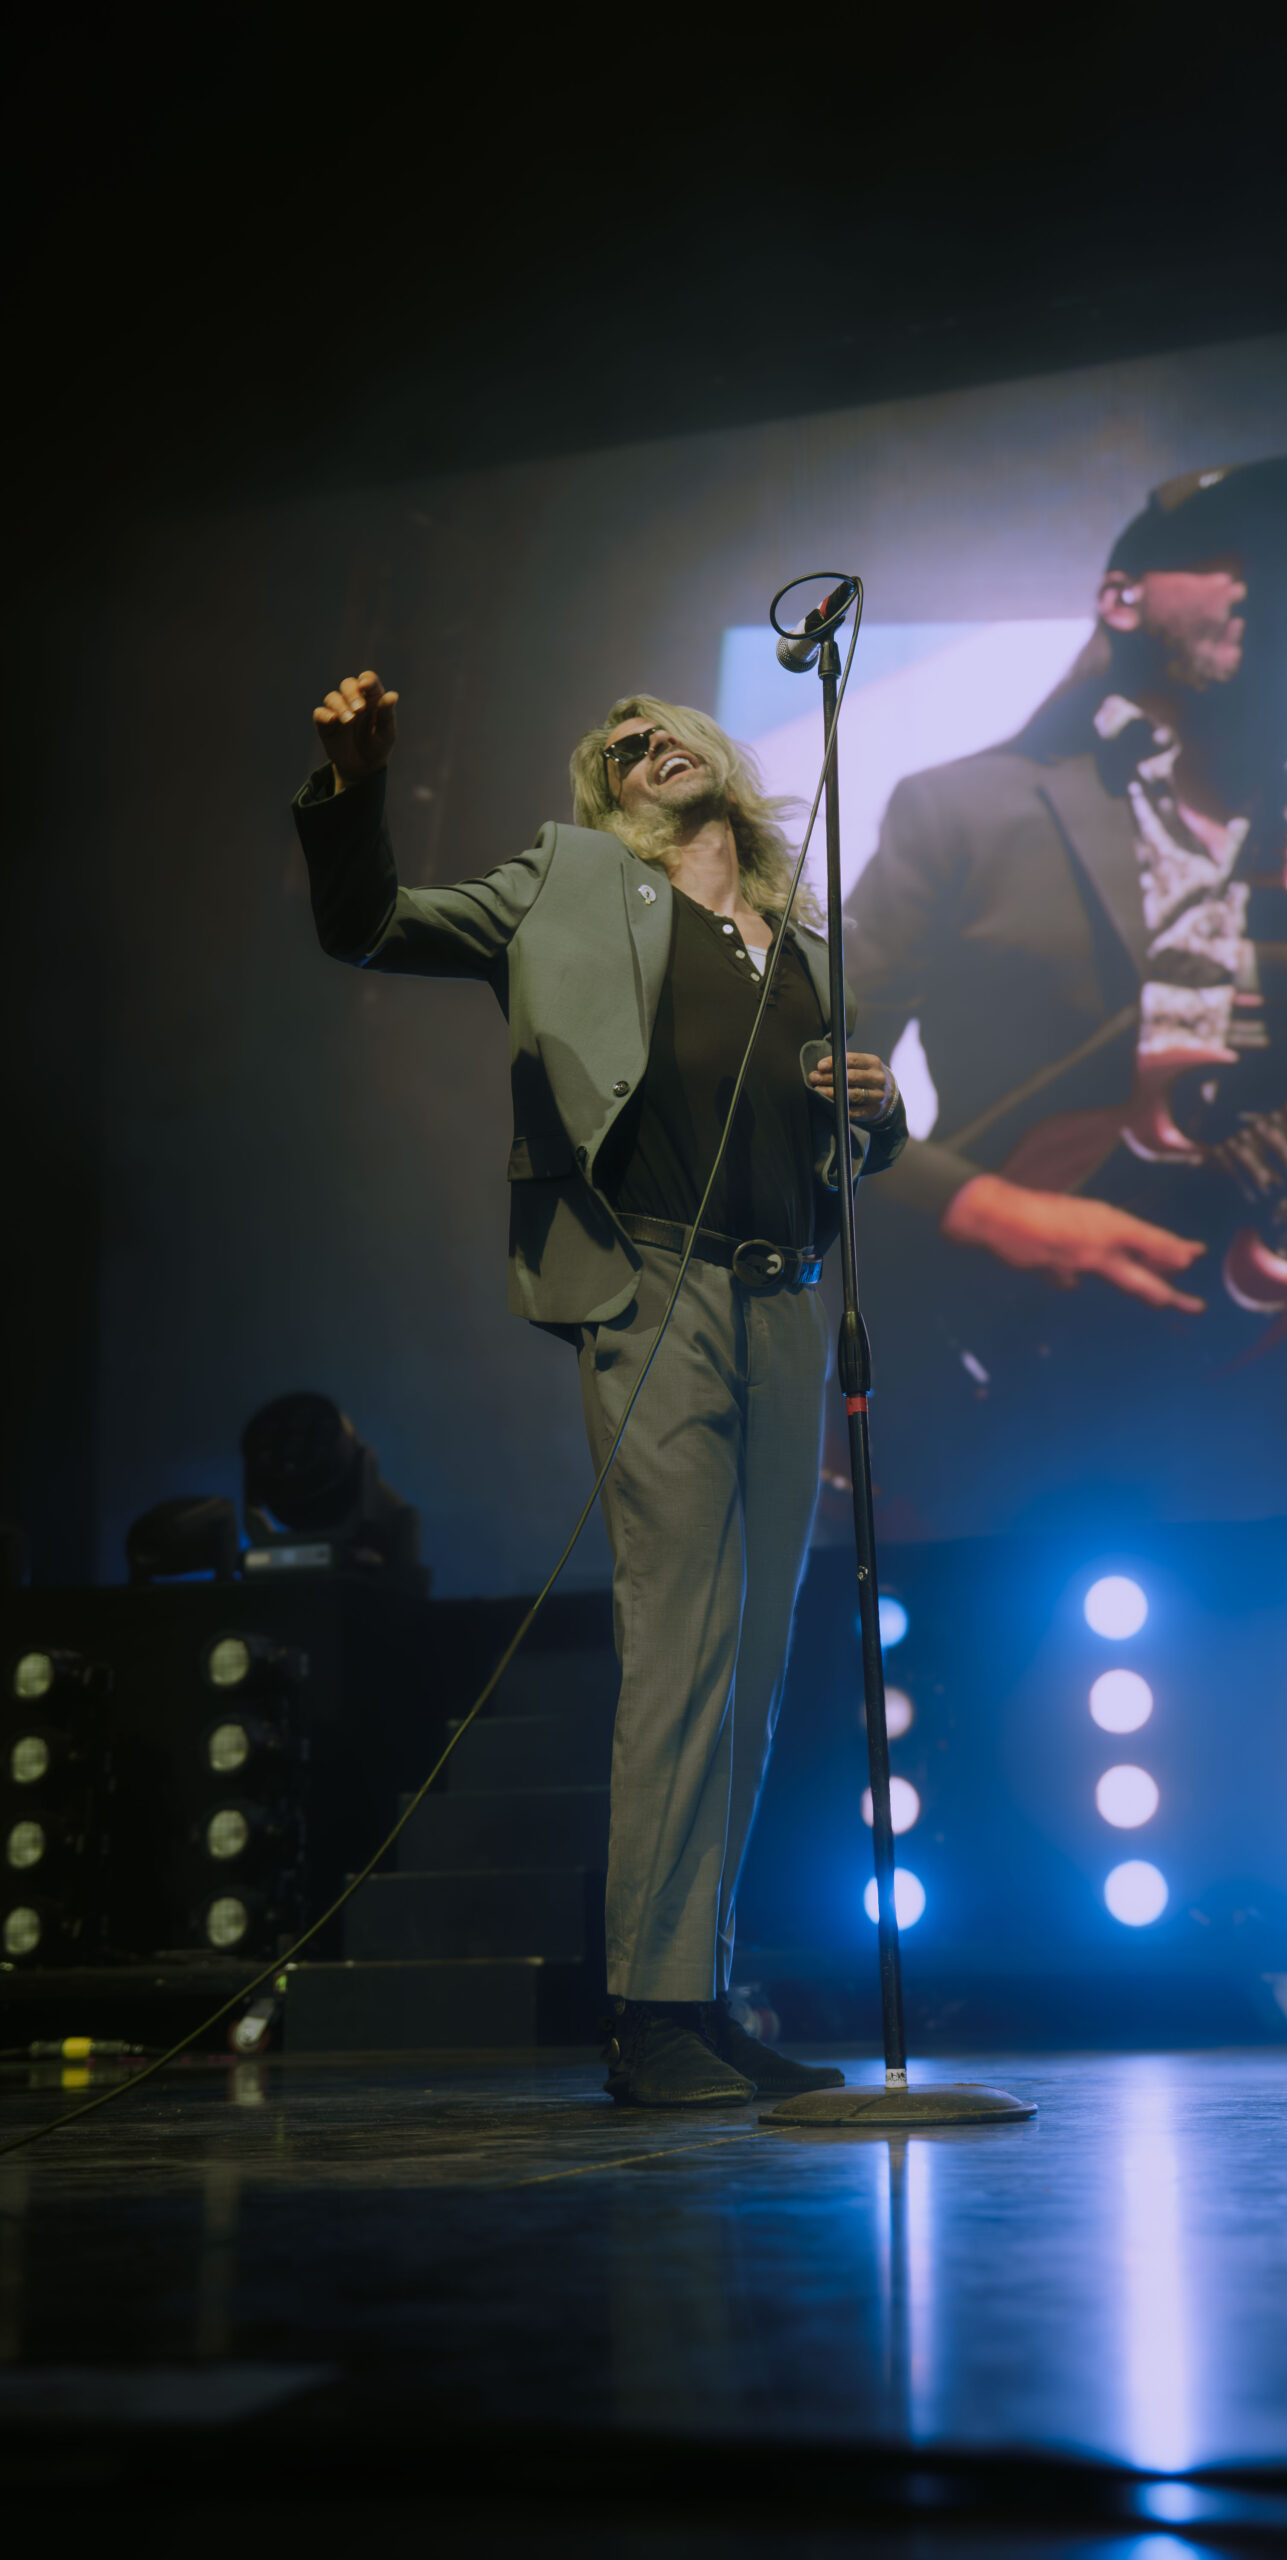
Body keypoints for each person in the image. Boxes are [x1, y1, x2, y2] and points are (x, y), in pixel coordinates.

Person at [293, 683, 907, 2104]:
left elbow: (846, 1141)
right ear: (610, 799)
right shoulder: (565, 882)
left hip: (788, 1300)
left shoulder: (808, 952)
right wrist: (353, 793)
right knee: (682, 1633)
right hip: (658, 1284)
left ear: (723, 759)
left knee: (753, 1658)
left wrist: (876, 1119)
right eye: (619, 748)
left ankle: (703, 1990)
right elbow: (370, 923)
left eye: (663, 725)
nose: (646, 742)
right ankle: (647, 2012)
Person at [845, 457, 1287, 1531]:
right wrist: (986, 1209)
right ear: (1122, 597)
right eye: (1229, 554)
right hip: (1024, 1382)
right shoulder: (964, 814)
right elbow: (799, 1078)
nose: (1272, 579)